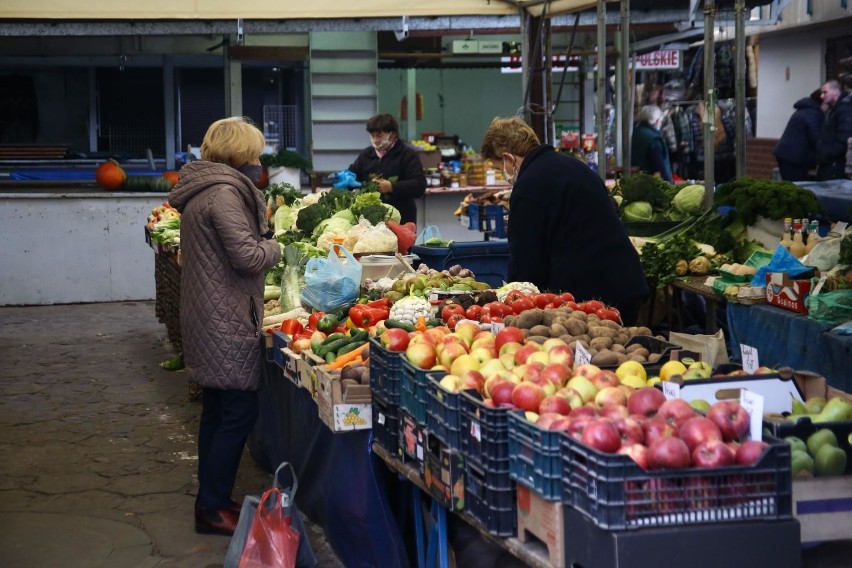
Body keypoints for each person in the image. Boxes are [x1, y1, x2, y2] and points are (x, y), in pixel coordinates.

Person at [167, 117, 281, 536]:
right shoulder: (225, 194)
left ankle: (212, 499)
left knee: (217, 412)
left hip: (208, 312)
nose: (257, 160)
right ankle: (212, 508)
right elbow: (248, 257)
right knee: (237, 411)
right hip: (226, 316)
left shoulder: (203, 189)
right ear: (237, 154)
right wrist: (277, 243)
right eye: (253, 152)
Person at [480, 116, 649, 325]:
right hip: (626, 282)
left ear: (508, 158)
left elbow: (525, 263)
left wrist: (514, 302)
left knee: (596, 356)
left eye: (499, 168)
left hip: (591, 300)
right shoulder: (576, 166)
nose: (502, 174)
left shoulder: (528, 188)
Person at [348, 113, 427, 224]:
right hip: (370, 220)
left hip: (401, 218)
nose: (375, 140)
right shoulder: (366, 155)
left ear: (393, 135)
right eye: (372, 135)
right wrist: (345, 179)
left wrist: (392, 187)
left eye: (379, 136)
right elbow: (352, 175)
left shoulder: (407, 154)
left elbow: (419, 185)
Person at [773, 89, 826, 181]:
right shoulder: (813, 113)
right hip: (793, 158)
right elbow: (815, 138)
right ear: (822, 102)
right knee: (796, 186)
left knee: (792, 185)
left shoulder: (806, 109)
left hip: (789, 155)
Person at [816, 79, 852, 180]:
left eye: (825, 92)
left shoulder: (845, 109)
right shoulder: (834, 109)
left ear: (836, 91)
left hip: (835, 164)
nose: (822, 96)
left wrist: (826, 154)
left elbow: (844, 138)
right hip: (829, 163)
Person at [631, 105, 674, 183]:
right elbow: (659, 166)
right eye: (660, 121)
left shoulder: (634, 132)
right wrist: (669, 183)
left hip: (634, 180)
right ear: (657, 121)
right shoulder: (654, 139)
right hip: (648, 183)